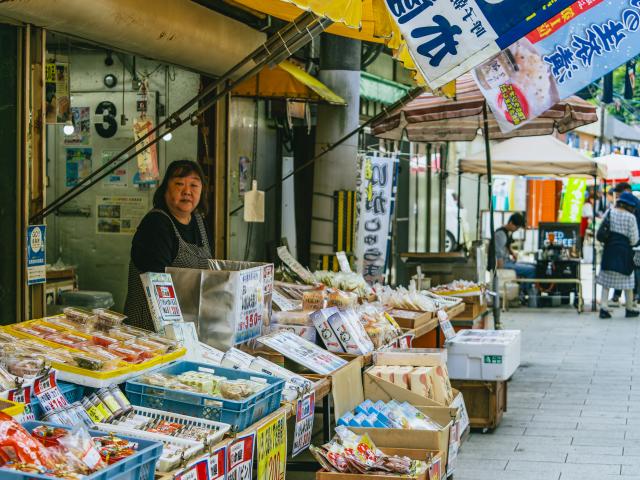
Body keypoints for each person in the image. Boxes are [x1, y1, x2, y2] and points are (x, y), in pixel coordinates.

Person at [124, 160, 213, 331]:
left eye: (194, 185)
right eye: (179, 184)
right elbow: (156, 284)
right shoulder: (157, 224)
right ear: (165, 189)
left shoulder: (199, 222)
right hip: (148, 328)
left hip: (185, 324)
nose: (187, 191)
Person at [597, 192, 639, 319]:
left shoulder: (610, 212)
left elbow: (602, 229)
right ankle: (629, 308)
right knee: (628, 279)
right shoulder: (630, 218)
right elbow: (634, 239)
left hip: (609, 250)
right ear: (629, 206)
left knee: (606, 279)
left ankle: (603, 308)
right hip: (624, 252)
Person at [611, 183, 640, 305]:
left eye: (618, 192)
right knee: (634, 267)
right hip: (634, 239)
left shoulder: (629, 204)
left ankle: (618, 296)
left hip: (629, 239)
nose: (617, 195)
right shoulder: (635, 202)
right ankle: (635, 296)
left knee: (626, 267)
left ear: (627, 191)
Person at [491, 213, 536, 290]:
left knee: (535, 265)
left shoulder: (507, 232)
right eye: (517, 227)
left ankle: (524, 289)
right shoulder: (500, 234)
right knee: (532, 270)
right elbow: (498, 254)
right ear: (511, 223)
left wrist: (513, 253)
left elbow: (507, 245)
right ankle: (523, 292)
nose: (516, 230)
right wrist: (501, 272)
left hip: (508, 261)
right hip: (504, 264)